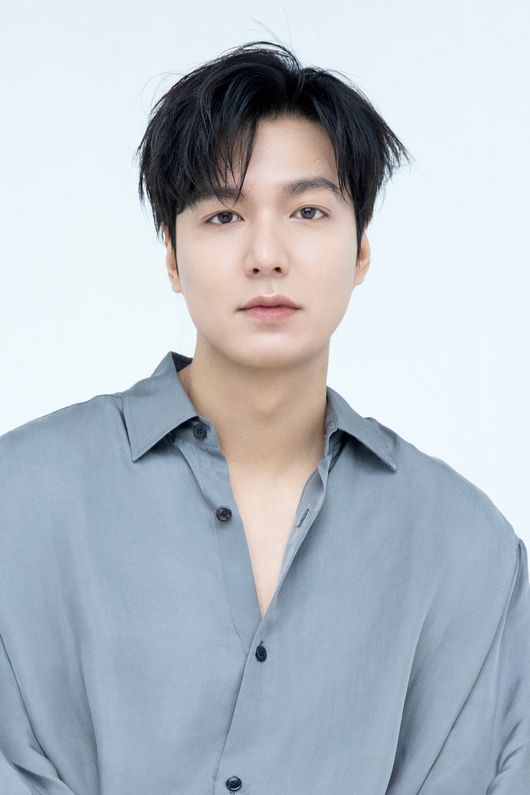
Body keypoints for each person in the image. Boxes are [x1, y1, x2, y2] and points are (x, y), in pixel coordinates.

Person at [0, 40, 528, 795]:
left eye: (308, 210)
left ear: (361, 249)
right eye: (224, 214)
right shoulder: (20, 501)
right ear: (172, 256)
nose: (266, 254)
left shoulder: (466, 546)